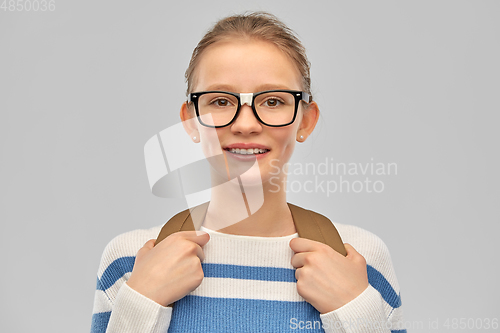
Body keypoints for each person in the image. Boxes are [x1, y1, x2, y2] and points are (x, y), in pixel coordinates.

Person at [90, 11, 406, 333]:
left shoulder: (359, 260)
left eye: (272, 101)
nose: (245, 125)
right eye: (221, 101)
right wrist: (141, 302)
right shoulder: (130, 263)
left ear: (306, 121)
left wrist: (356, 311)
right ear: (190, 121)